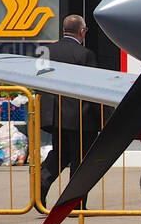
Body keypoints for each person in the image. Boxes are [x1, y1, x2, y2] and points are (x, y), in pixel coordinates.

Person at [38, 13, 100, 209]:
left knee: (59, 155)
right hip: (80, 118)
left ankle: (40, 188)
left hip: (54, 117)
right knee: (80, 162)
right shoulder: (84, 54)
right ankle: (75, 204)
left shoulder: (45, 51)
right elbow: (94, 89)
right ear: (82, 32)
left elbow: (38, 83)